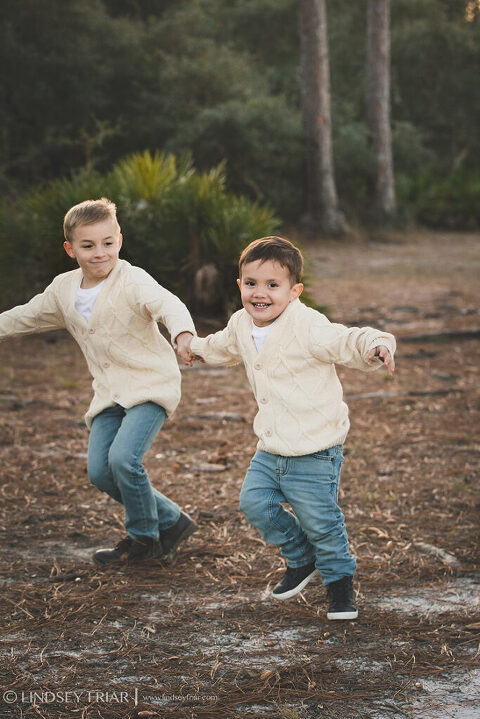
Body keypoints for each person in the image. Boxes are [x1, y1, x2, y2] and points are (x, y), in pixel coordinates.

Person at [187, 236, 395, 620]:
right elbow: (222, 345)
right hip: (270, 447)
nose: (259, 293)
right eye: (250, 284)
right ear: (239, 286)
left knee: (322, 521)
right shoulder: (240, 324)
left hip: (316, 449)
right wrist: (197, 348)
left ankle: (339, 587)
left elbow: (346, 338)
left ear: (294, 290)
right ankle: (301, 556)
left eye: (272, 285)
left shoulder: (308, 324)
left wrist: (375, 345)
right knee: (254, 503)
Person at [0, 198, 198, 565]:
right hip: (109, 393)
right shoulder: (63, 290)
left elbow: (167, 304)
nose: (99, 253)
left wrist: (183, 335)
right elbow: (23, 317)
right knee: (100, 471)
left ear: (119, 240)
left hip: (150, 385)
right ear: (70, 248)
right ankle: (171, 521)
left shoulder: (133, 280)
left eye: (107, 243)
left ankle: (144, 541)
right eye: (88, 245)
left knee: (124, 459)